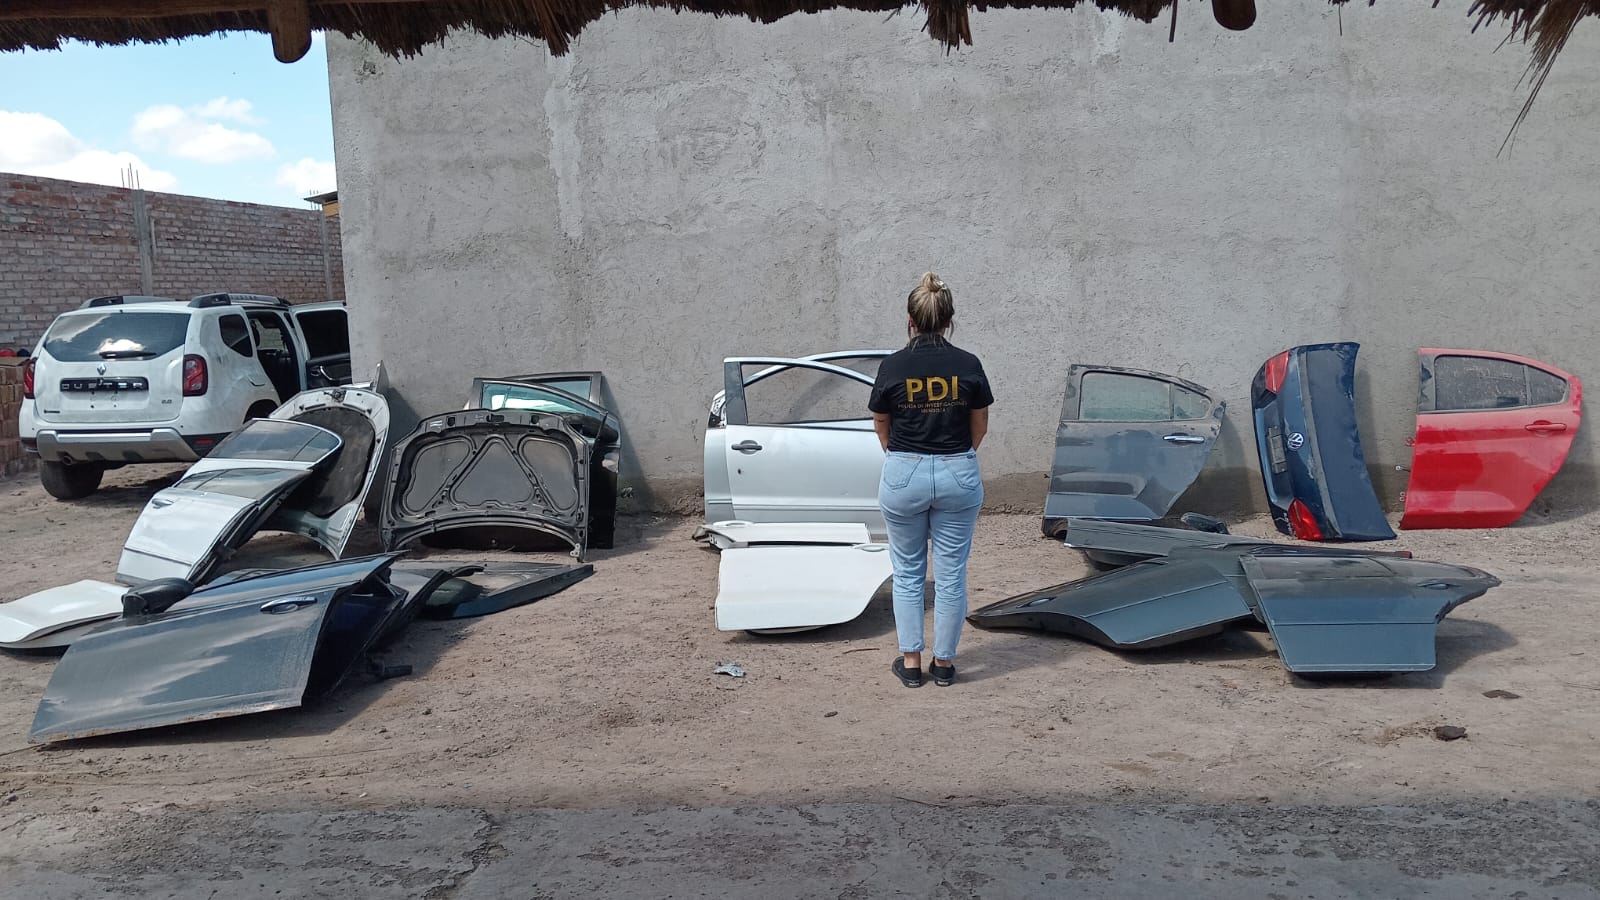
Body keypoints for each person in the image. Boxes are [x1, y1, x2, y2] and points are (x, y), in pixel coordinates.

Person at [868, 272, 993, 688]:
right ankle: (943, 663)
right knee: (952, 572)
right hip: (958, 469)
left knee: (907, 571)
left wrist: (900, 457)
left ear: (910, 320)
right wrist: (957, 457)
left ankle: (910, 662)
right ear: (949, 320)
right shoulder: (969, 364)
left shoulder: (892, 365)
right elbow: (980, 426)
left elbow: (881, 422)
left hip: (905, 470)